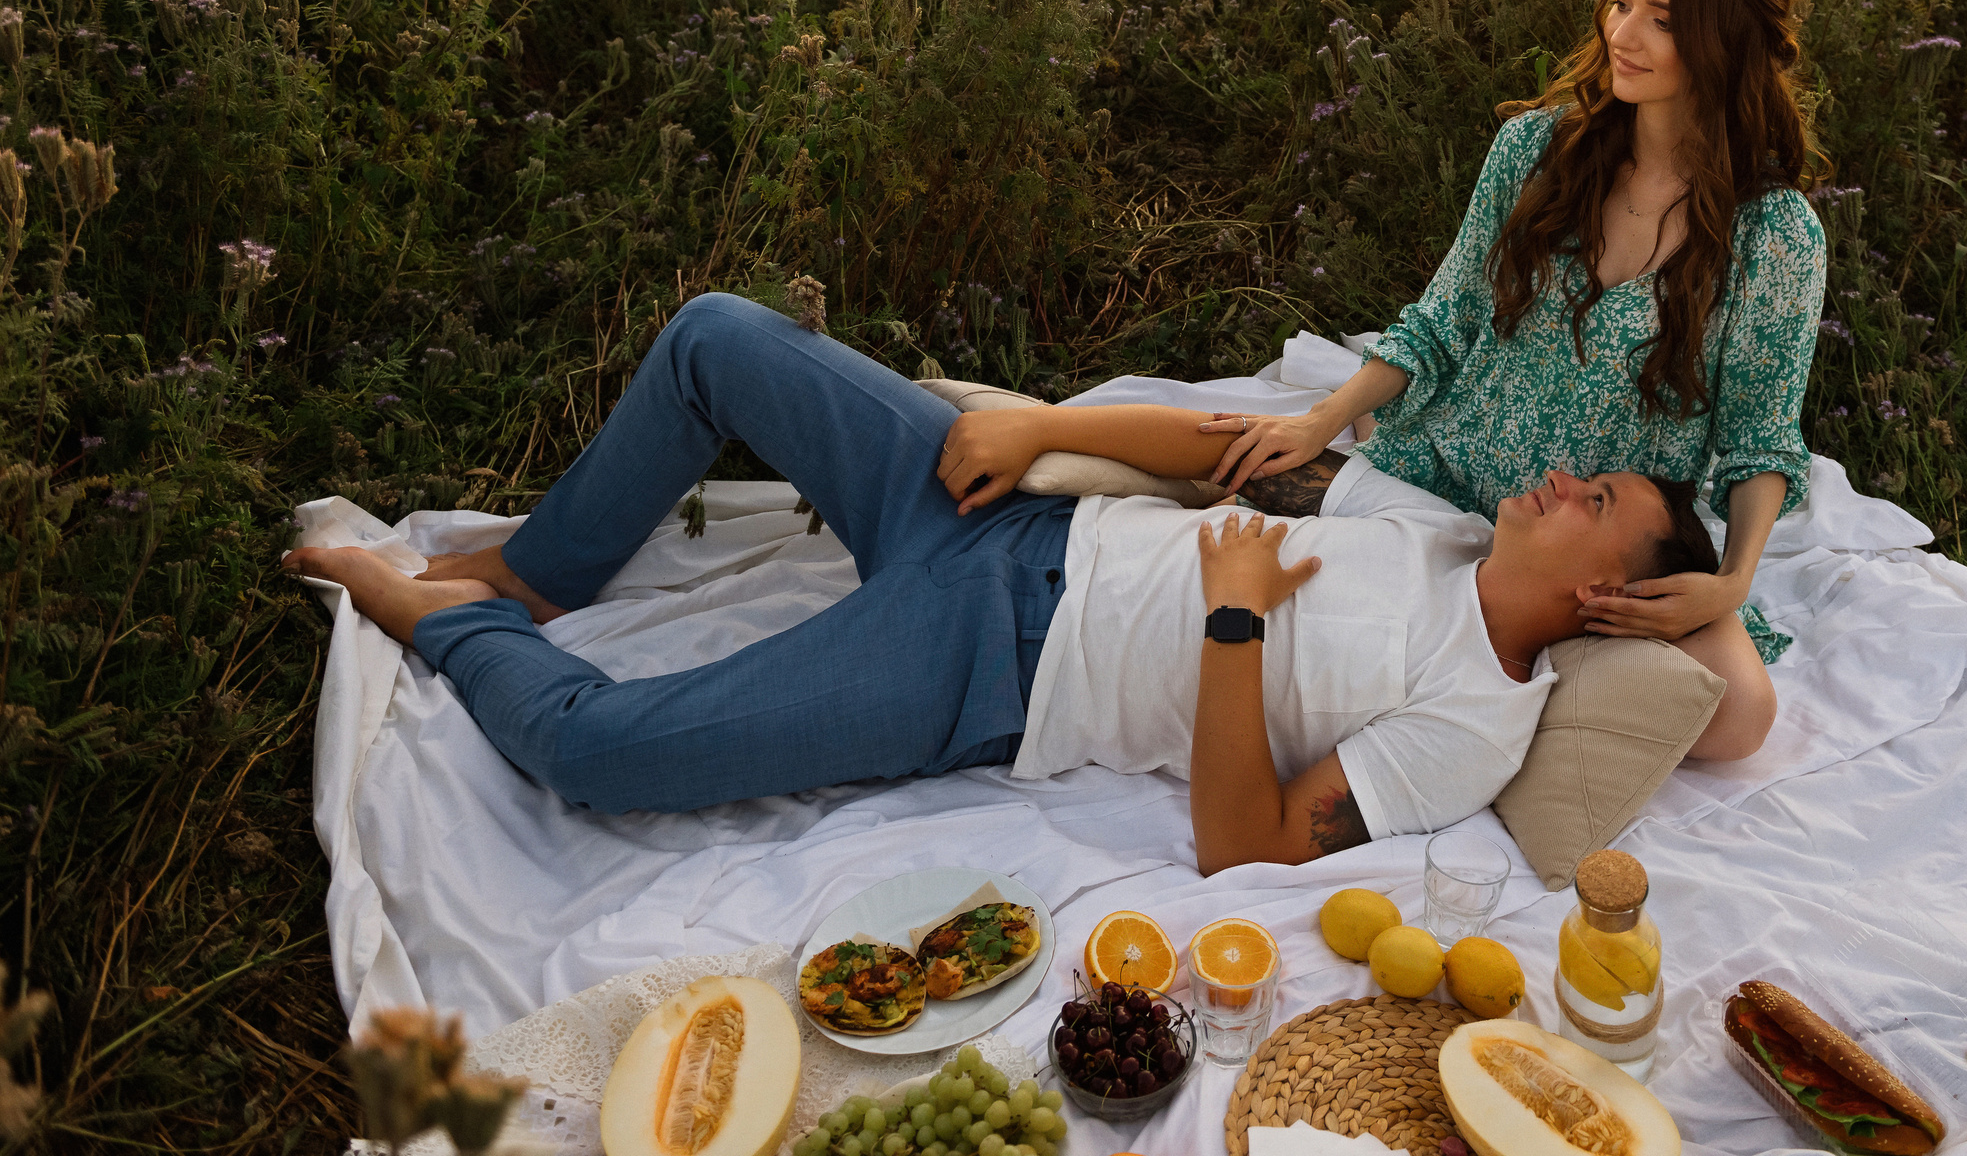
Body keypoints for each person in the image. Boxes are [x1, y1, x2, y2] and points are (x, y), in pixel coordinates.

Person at [285, 291, 1742, 876]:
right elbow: (1227, 448)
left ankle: (457, 623)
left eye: (1598, 502)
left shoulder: (1473, 722)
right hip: (1006, 514)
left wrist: (1235, 619)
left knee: (601, 755)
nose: (1562, 479)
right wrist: (1043, 425)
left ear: (1606, 598)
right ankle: (541, 571)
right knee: (718, 336)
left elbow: (1244, 846)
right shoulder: (1435, 530)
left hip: (985, 669)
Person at [1201, 0, 1826, 762]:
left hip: (1593, 542)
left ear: (1727, 41)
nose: (1622, 34)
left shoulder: (1775, 237)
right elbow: (1442, 321)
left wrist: (1730, 583)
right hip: (1449, 477)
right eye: (1621, 2)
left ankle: (1509, 648)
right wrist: (1322, 418)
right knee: (1227, 513)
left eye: (1664, 19)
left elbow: (1760, 440)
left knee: (1737, 717)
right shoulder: (1534, 150)